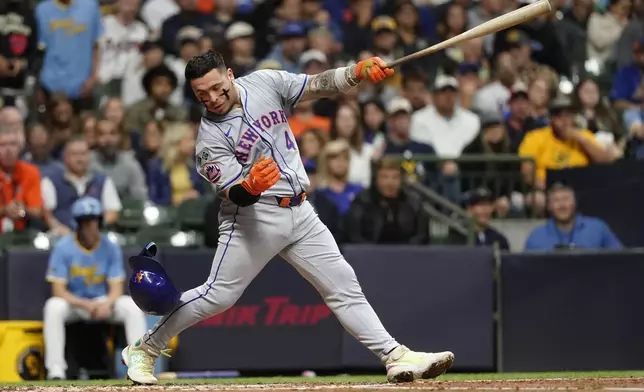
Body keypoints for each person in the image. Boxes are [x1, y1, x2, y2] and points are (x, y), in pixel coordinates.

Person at [121, 50, 454, 385]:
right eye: (201, 94)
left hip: (300, 210)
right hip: (253, 218)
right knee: (218, 295)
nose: (212, 98)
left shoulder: (265, 81)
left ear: (230, 75)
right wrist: (249, 186)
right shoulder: (209, 138)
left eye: (216, 87)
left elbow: (316, 85)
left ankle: (394, 357)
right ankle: (145, 348)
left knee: (343, 283)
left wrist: (357, 72)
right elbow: (232, 192)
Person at [43, 197, 147, 380]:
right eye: (86, 222)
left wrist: (107, 303)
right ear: (78, 224)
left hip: (102, 302)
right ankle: (56, 370)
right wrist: (84, 304)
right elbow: (58, 290)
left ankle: (138, 366)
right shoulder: (63, 247)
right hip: (76, 303)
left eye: (95, 221)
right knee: (53, 307)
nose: (92, 226)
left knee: (131, 306)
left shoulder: (110, 246)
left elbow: (116, 287)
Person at [524, 184, 623, 251]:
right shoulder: (536, 237)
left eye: (566, 199)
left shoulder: (598, 228)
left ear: (575, 202)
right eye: (556, 200)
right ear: (549, 206)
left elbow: (621, 259)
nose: (562, 205)